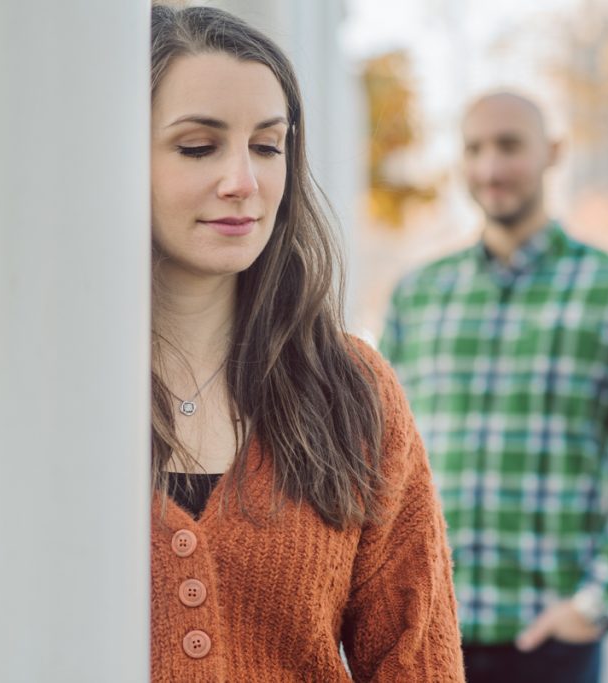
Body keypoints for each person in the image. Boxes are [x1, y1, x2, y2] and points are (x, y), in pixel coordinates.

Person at [148, 6, 465, 680]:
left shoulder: (349, 387)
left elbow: (417, 659)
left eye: (268, 146)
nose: (244, 181)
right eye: (198, 147)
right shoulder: (45, 391)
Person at [380, 91, 608, 683]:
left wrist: (598, 599)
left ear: (553, 152)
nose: (490, 167)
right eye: (474, 149)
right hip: (425, 635)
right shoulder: (419, 294)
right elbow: (379, 455)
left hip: (549, 641)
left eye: (509, 146)